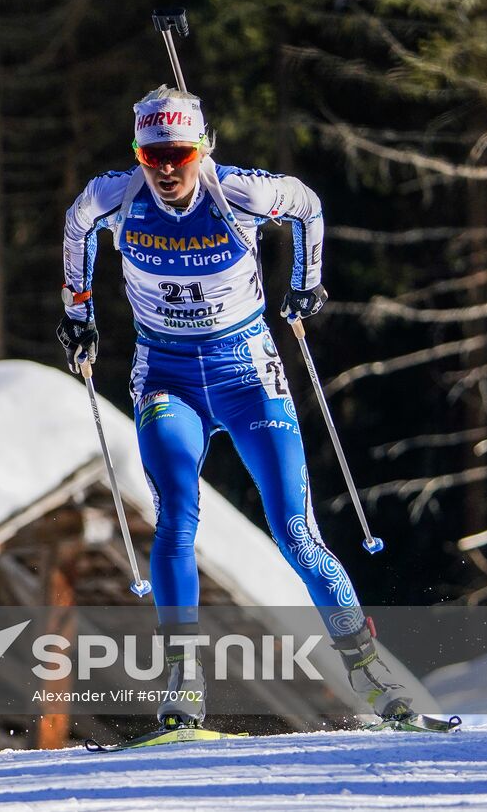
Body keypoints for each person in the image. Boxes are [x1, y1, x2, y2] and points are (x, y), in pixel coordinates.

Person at [57, 86, 416, 729]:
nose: (166, 169)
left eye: (180, 153)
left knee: (294, 529)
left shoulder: (240, 194)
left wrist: (306, 283)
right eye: (151, 154)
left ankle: (369, 669)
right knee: (175, 520)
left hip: (246, 369)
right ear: (137, 153)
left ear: (204, 148)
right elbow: (78, 224)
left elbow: (307, 206)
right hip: (166, 373)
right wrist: (78, 314)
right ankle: (183, 683)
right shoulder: (117, 196)